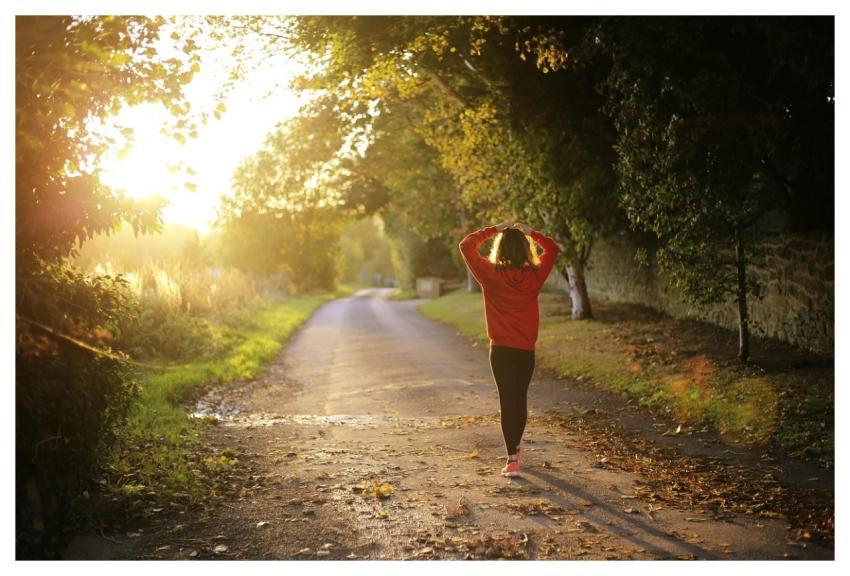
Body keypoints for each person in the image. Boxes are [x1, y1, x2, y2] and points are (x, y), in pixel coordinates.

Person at [458, 221, 560, 477]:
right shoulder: (534, 276)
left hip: (501, 350)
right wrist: (531, 232)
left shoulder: (490, 275)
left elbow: (466, 245)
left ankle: (512, 458)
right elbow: (552, 248)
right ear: (525, 249)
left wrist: (494, 229)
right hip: (525, 350)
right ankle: (515, 449)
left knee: (507, 401)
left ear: (500, 248)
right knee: (519, 399)